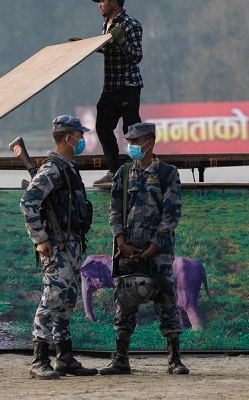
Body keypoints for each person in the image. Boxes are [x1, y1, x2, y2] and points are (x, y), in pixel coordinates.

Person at [99, 122, 189, 376]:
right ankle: (120, 359)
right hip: (127, 251)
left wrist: (153, 247)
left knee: (167, 303)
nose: (132, 146)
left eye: (136, 141)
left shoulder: (168, 174)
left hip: (157, 253)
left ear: (150, 141)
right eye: (130, 141)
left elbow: (172, 214)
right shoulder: (123, 174)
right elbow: (114, 211)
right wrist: (120, 242)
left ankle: (174, 358)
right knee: (124, 304)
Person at [19, 115, 98, 379]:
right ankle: (39, 359)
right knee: (52, 298)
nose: (82, 140)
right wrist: (40, 238)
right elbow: (28, 201)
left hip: (72, 244)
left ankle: (64, 357)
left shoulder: (68, 167)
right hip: (57, 246)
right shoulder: (52, 169)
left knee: (67, 300)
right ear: (68, 138)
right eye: (80, 135)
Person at [88, 0, 144, 187]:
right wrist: (86, 47)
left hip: (128, 85)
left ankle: (137, 170)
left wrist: (121, 40)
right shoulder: (106, 23)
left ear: (114, 2)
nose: (99, 5)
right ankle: (114, 170)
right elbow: (107, 49)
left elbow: (136, 56)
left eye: (102, 1)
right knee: (102, 127)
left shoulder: (131, 25)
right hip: (110, 86)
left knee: (132, 131)